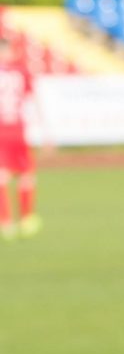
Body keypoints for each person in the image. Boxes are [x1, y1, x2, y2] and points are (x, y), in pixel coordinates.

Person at [0, 35, 42, 240]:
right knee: (25, 175)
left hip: (8, 131)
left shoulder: (20, 71)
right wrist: (45, 128)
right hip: (16, 129)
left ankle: (6, 222)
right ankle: (25, 219)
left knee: (5, 176)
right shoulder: (20, 71)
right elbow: (33, 99)